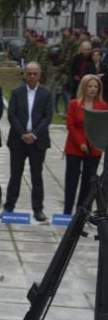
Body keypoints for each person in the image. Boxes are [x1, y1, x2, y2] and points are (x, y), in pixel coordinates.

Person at [4, 62, 54, 222]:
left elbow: (48, 116)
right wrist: (24, 134)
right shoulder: (17, 92)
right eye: (29, 73)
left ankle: (38, 209)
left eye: (35, 74)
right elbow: (11, 115)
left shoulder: (46, 93)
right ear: (25, 74)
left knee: (36, 176)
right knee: (15, 175)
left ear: (39, 75)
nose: (32, 76)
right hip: (18, 141)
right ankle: (9, 207)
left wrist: (34, 134)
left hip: (38, 142)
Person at [63, 75, 108, 215]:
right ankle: (66, 211)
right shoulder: (74, 103)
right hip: (74, 147)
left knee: (88, 181)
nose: (93, 89)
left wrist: (94, 143)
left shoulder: (103, 105)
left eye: (96, 86)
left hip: (94, 149)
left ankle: (82, 211)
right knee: (71, 180)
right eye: (90, 86)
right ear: (84, 87)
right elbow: (70, 125)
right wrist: (81, 143)